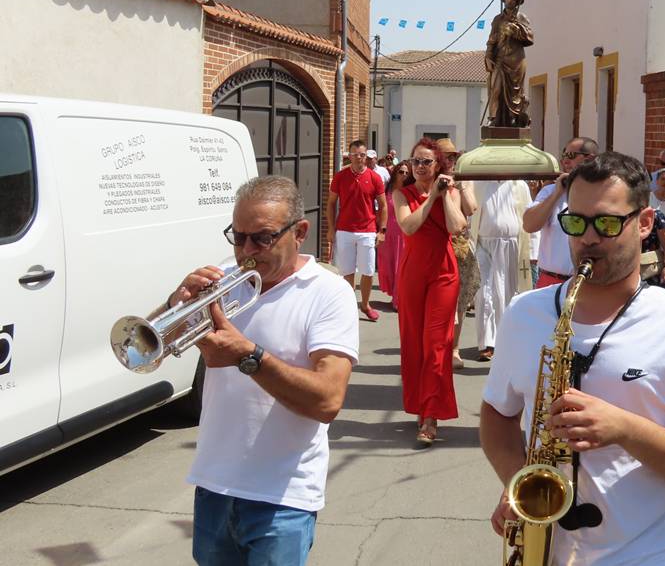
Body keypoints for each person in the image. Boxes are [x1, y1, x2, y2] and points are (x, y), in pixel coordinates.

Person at [480, 152, 665, 565]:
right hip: (545, 552)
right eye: (575, 222)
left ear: (643, 223)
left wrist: (623, 428)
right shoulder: (524, 314)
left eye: (605, 223)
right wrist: (521, 480)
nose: (587, 238)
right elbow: (496, 416)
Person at [178, 175, 359, 565]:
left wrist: (249, 356)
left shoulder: (329, 293)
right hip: (213, 484)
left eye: (262, 238)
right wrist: (175, 304)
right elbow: (151, 348)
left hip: (282, 497)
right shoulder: (227, 280)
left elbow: (328, 400)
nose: (246, 250)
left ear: (301, 232)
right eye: (238, 236)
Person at [394, 137, 467, 445]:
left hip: (443, 272)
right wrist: (428, 198)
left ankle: (431, 416)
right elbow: (409, 226)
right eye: (416, 162)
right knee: (414, 344)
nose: (420, 167)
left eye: (426, 162)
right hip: (412, 272)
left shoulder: (449, 192)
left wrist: (444, 196)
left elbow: (457, 226)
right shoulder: (401, 193)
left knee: (437, 344)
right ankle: (420, 405)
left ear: (438, 165)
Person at [522, 137, 598, 288]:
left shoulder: (601, 192)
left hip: (588, 283)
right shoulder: (550, 192)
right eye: (563, 155)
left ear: (589, 159)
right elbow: (530, 225)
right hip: (551, 281)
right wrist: (557, 193)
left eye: (571, 156)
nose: (565, 161)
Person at [470, 179, 533, 362]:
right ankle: (486, 343)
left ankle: (504, 340)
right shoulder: (478, 183)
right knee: (482, 293)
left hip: (510, 244)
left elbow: (528, 214)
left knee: (503, 293)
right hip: (482, 242)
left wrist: (533, 250)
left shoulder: (519, 185)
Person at [327, 140, 387, 322]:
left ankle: (365, 304)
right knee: (347, 272)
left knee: (368, 271)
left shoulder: (375, 178)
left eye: (362, 155)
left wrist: (382, 230)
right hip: (344, 230)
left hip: (367, 230)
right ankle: (348, 306)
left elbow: (383, 206)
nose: (359, 158)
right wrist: (331, 229)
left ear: (366, 157)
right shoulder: (340, 176)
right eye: (355, 155)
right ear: (349, 156)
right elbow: (331, 203)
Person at [437, 137, 479, 370]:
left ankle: (454, 348)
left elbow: (471, 207)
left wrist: (460, 184)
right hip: (438, 244)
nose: (451, 161)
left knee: (460, 301)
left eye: (454, 156)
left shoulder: (464, 181)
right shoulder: (432, 180)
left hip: (460, 245)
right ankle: (437, 347)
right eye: (446, 157)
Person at [484, 0, 533, 127]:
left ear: (517, 1)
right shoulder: (498, 19)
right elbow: (491, 40)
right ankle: (493, 117)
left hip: (516, 60)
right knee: (496, 88)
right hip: (500, 58)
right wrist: (488, 56)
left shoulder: (521, 18)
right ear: (504, 0)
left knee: (515, 90)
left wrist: (515, 30)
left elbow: (529, 37)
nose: (510, 0)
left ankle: (513, 117)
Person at [377, 160, 410, 311]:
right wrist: (379, 230)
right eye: (401, 172)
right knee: (388, 266)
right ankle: (394, 295)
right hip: (388, 233)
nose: (403, 175)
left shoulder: (409, 192)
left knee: (400, 267)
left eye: (406, 173)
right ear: (395, 173)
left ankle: (398, 300)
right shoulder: (387, 190)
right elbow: (380, 211)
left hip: (403, 234)